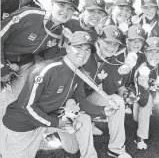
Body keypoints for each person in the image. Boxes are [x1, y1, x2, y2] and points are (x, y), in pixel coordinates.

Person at [0, 31, 119, 158]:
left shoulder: (78, 73)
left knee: (82, 120)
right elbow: (26, 107)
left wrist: (103, 111)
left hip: (43, 122)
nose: (83, 53)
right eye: (78, 47)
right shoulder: (46, 69)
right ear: (68, 48)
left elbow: (80, 101)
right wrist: (55, 122)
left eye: (88, 50)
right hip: (21, 125)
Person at [0, 0, 79, 121]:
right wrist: (2, 68)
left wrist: (67, 47)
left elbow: (49, 60)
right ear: (52, 3)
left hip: (22, 64)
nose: (65, 11)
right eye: (62, 5)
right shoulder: (30, 14)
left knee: (15, 100)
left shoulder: (60, 33)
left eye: (70, 9)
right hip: (3, 58)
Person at [82, 25, 132, 157]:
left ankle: (116, 149)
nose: (111, 47)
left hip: (88, 98)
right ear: (98, 40)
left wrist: (118, 75)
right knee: (72, 148)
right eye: (108, 42)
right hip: (71, 102)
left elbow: (109, 91)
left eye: (116, 44)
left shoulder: (112, 60)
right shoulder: (86, 53)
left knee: (117, 102)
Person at [42, 0, 108, 60]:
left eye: (100, 12)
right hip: (46, 60)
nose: (96, 15)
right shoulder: (67, 22)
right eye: (91, 11)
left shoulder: (97, 34)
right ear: (83, 10)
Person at [115, 25, 147, 113]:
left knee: (143, 106)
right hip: (116, 89)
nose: (136, 44)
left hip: (133, 88)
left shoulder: (143, 57)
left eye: (139, 41)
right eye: (133, 40)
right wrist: (120, 87)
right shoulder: (117, 56)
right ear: (126, 41)